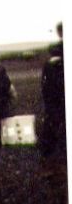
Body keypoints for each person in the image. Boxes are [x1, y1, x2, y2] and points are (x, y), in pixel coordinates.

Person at [40, 22, 65, 159]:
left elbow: (46, 85)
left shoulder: (54, 55)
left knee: (53, 120)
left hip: (55, 93)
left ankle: (48, 150)